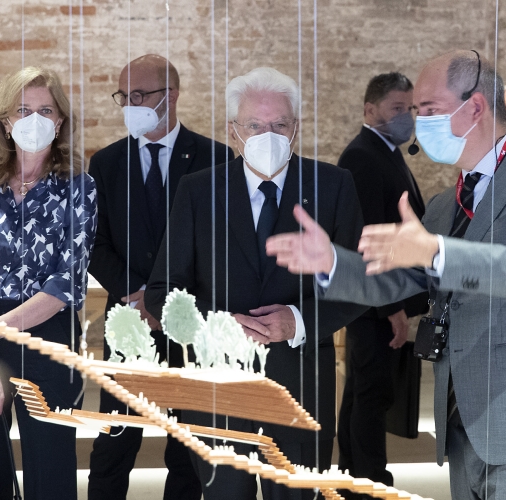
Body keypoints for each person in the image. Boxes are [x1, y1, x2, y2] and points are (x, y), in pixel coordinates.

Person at [267, 50, 506, 499]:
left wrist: (436, 251)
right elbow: (400, 282)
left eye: (429, 109)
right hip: (464, 422)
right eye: (415, 110)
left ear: (475, 106)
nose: (419, 122)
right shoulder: (446, 204)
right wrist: (333, 264)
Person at [145, 67, 367, 500]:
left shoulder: (333, 186)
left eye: (279, 125)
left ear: (295, 128)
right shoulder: (198, 191)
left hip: (300, 390)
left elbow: (357, 284)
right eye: (254, 126)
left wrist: (297, 321)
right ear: (233, 131)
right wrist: (216, 324)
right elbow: (161, 292)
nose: (268, 136)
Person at [0, 66, 97, 500]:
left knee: (51, 470)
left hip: (45, 336)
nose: (34, 119)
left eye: (45, 110)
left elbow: (65, 283)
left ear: (60, 122)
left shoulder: (79, 186)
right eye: (23, 110)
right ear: (5, 121)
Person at [87, 54, 233, 500]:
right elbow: (95, 243)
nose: (130, 105)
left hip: (189, 321)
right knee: (115, 441)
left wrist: (168, 302)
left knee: (188, 445)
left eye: (140, 95)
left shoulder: (215, 158)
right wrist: (138, 295)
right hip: (128, 320)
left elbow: (220, 245)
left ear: (171, 95)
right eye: (124, 96)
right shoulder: (107, 162)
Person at [335, 71, 426, 493]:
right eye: (397, 108)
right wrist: (392, 308)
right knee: (372, 395)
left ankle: (354, 478)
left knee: (363, 391)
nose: (407, 116)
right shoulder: (363, 157)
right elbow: (366, 236)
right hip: (374, 301)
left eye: (410, 108)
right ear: (370, 109)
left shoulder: (385, 152)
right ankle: (371, 481)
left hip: (377, 299)